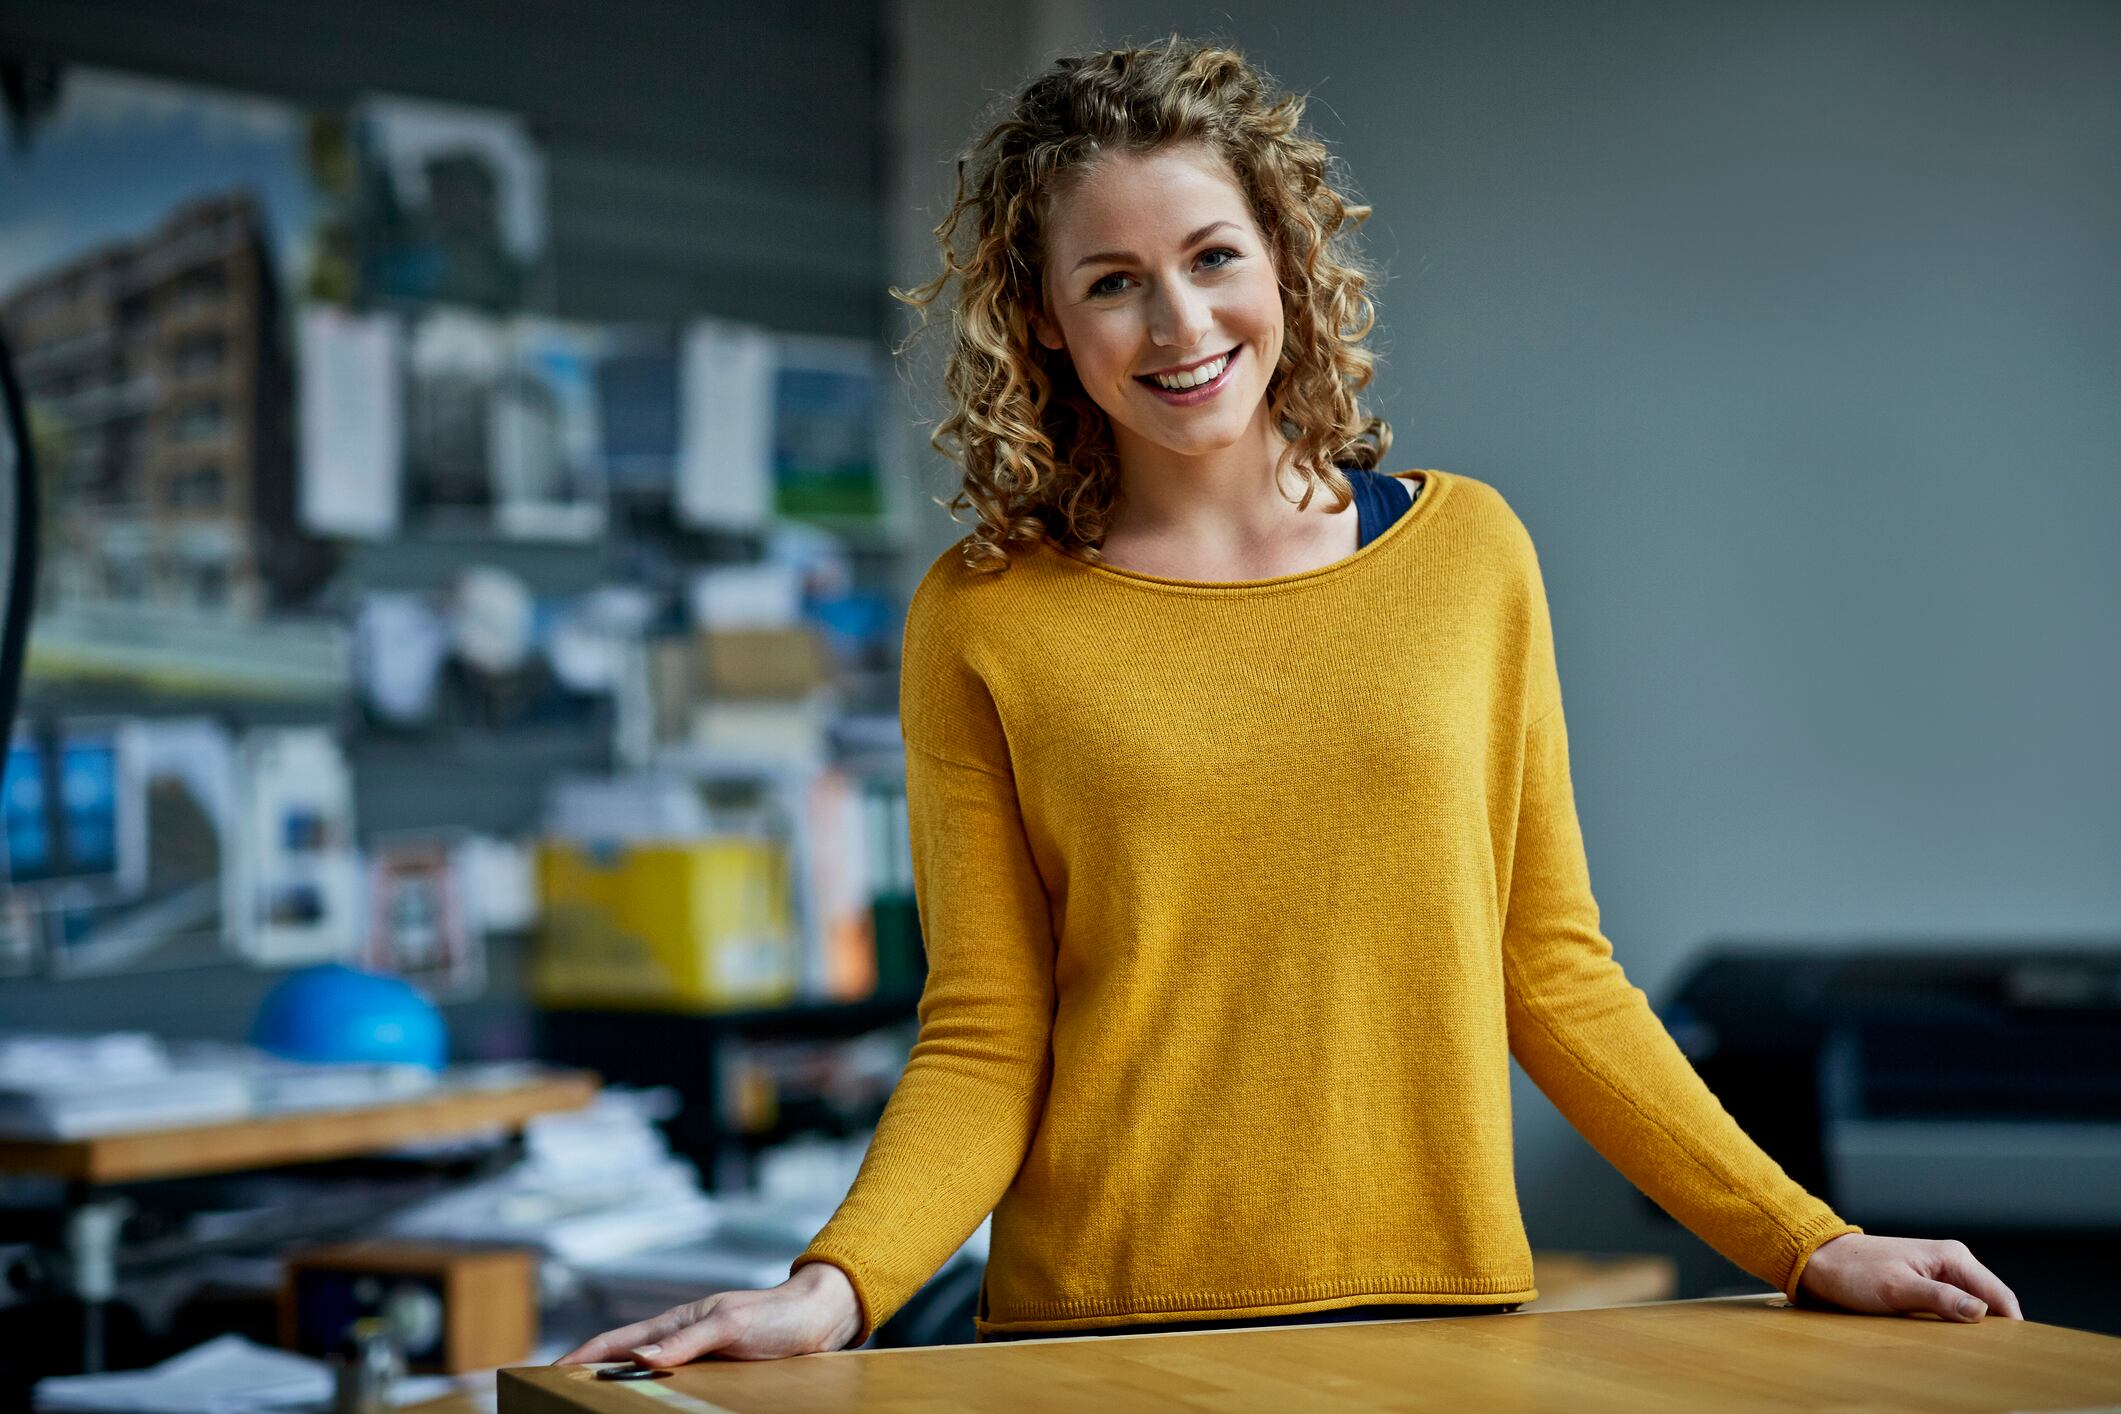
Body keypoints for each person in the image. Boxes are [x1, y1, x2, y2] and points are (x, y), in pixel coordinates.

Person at [559, 34, 2022, 1367]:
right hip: (1099, 1333)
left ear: (1286, 262)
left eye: (1211, 255)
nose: (1177, 320)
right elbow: (984, 1032)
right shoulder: (984, 614)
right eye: (1111, 281)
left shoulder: (1469, 555)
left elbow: (1553, 972)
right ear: (1043, 323)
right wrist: (834, 1284)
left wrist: (1806, 1238)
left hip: (1438, 1317)